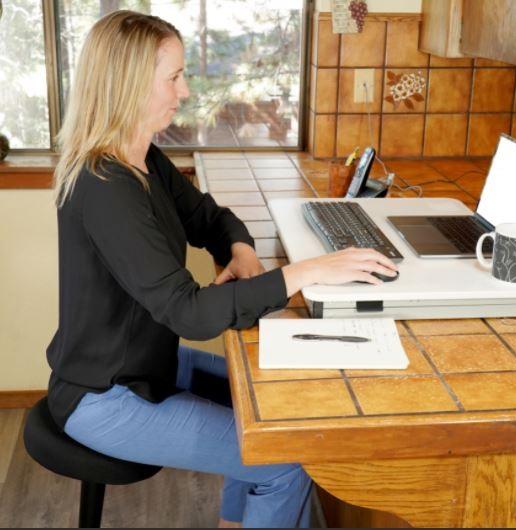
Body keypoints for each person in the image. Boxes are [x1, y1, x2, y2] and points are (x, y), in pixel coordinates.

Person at [47, 10, 397, 528]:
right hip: (105, 397)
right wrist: (308, 272)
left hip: (147, 366)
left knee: (262, 403)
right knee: (285, 462)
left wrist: (240, 250)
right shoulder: (106, 188)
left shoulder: (141, 158)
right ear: (128, 84)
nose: (184, 91)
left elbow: (209, 218)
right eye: (173, 77)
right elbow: (188, 312)